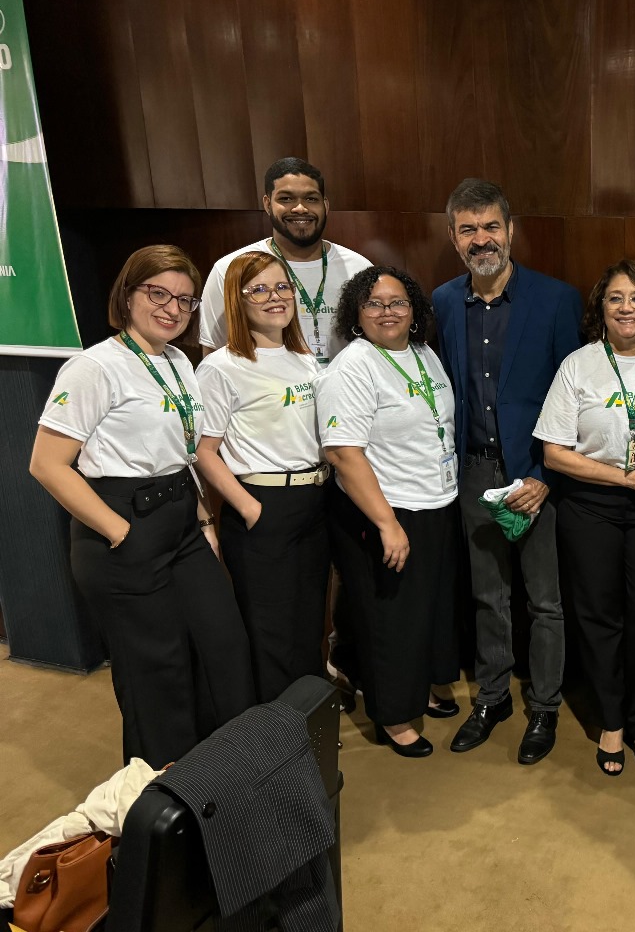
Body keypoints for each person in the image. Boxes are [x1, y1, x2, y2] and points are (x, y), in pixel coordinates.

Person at [29, 244, 255, 767]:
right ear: (128, 295)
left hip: (180, 517)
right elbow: (47, 464)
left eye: (184, 300)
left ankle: (224, 776)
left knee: (223, 645)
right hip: (122, 525)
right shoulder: (95, 367)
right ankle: (163, 797)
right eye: (158, 293)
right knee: (159, 673)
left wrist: (201, 517)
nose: (172, 308)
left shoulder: (178, 361)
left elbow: (182, 450)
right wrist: (120, 531)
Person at [432, 178, 582, 765]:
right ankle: (492, 699)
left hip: (535, 474)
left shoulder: (556, 300)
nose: (481, 239)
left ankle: (544, 707)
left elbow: (574, 396)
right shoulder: (444, 302)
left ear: (511, 230)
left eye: (491, 226)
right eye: (467, 229)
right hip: (472, 470)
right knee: (487, 595)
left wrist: (546, 472)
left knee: (544, 601)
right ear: (452, 237)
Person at [535, 260, 635, 775]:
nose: (626, 308)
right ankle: (612, 718)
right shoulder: (579, 365)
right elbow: (553, 453)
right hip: (590, 506)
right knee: (598, 616)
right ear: (601, 308)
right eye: (615, 298)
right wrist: (622, 479)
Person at [315, 265, 461, 758]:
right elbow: (342, 453)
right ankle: (393, 716)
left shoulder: (424, 356)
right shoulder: (352, 366)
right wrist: (386, 524)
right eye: (374, 303)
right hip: (384, 509)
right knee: (389, 619)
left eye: (398, 302)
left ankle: (417, 688)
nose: (387, 312)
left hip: (434, 501)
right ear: (357, 313)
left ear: (415, 310)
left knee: (423, 611)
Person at [194, 250, 329, 702]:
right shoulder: (222, 366)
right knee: (270, 631)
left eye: (282, 287)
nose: (275, 298)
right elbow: (204, 452)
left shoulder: (304, 358)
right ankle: (277, 741)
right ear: (238, 299)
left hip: (315, 501)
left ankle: (311, 720)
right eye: (259, 289)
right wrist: (250, 508)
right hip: (262, 504)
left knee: (309, 620)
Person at [199, 158, 373, 365]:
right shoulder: (230, 268)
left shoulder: (358, 268)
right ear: (267, 204)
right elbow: (213, 352)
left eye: (311, 199)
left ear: (325, 206)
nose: (300, 208)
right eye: (286, 198)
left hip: (346, 394)